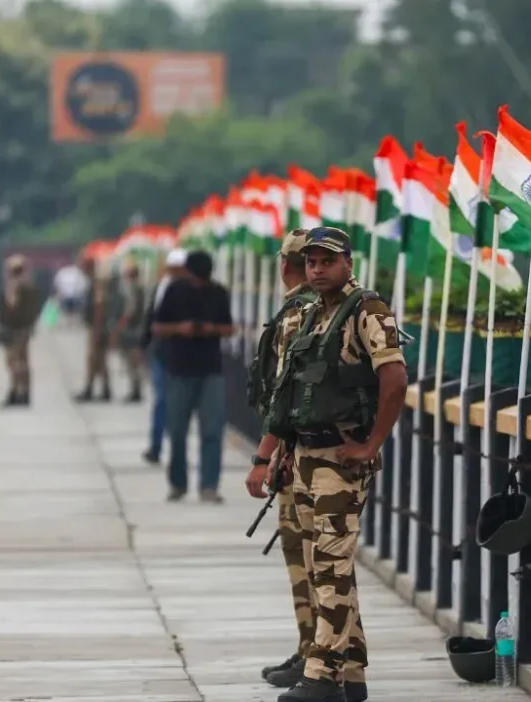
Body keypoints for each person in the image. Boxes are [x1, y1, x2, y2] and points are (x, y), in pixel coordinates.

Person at [256, 227, 408, 702]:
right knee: (322, 564)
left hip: (340, 459)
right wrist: (279, 453)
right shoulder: (310, 316)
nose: (318, 269)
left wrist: (372, 444)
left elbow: (395, 379)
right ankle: (353, 671)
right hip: (305, 454)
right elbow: (292, 394)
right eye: (312, 262)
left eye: (327, 261)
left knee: (331, 563)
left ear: (348, 263)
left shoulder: (366, 310)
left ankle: (321, 674)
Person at [243, 230, 319, 689]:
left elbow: (283, 398)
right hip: (318, 454)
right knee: (324, 566)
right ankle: (319, 655)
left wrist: (263, 455)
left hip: (305, 456)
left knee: (311, 564)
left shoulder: (298, 316)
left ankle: (319, 657)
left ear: (283, 266)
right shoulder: (331, 312)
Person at [152, 250, 234, 503]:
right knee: (176, 430)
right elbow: (157, 327)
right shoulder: (174, 291)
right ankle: (178, 483)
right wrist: (180, 328)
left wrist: (210, 330)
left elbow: (230, 328)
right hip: (179, 368)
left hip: (210, 369)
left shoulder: (218, 293)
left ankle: (209, 484)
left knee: (212, 430)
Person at [141, 248, 188, 464]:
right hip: (161, 353)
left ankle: (176, 448)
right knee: (161, 400)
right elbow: (150, 318)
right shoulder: (161, 288)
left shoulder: (190, 290)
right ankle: (156, 445)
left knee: (178, 404)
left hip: (181, 356)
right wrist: (145, 344)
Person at [0, 254, 43, 407]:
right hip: (26, 327)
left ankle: (15, 392)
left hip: (14, 328)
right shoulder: (30, 286)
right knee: (24, 361)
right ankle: (26, 392)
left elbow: (12, 304)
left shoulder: (14, 285)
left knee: (13, 361)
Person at [76, 255, 113, 402]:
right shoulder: (95, 280)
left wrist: (97, 329)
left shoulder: (96, 281)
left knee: (93, 359)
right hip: (99, 326)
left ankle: (90, 389)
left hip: (98, 327)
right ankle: (105, 389)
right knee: (100, 359)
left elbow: (99, 305)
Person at [112, 257, 147, 403]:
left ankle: (136, 389)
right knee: (133, 362)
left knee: (132, 361)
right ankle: (135, 388)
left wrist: (120, 326)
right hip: (136, 328)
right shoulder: (137, 288)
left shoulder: (134, 289)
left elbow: (130, 310)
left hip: (132, 329)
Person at [52, 262, 88, 327]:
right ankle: (70, 320)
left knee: (70, 309)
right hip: (70, 296)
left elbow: (57, 284)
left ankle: (69, 320)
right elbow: (83, 286)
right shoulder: (75, 272)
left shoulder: (74, 272)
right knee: (69, 309)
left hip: (72, 296)